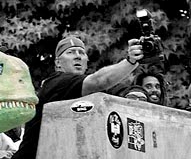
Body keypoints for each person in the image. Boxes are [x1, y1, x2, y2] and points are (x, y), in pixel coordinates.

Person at [11, 35, 143, 159]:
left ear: (86, 62)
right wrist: (131, 61)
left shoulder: (88, 93)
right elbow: (100, 81)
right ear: (58, 63)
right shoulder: (56, 82)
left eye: (81, 53)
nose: (78, 56)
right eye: (71, 52)